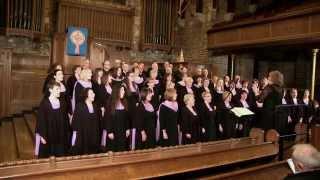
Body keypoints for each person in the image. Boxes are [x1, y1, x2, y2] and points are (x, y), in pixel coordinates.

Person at [35, 81, 69, 158]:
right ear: (50, 90)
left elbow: (65, 120)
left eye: (59, 89)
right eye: (57, 89)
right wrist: (43, 136)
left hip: (60, 135)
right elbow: (41, 121)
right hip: (49, 136)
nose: (59, 91)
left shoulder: (62, 103)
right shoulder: (45, 103)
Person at [70, 88, 101, 155]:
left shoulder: (95, 106)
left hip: (94, 135)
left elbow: (99, 121)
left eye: (94, 93)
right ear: (86, 95)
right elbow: (75, 122)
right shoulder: (80, 106)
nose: (94, 95)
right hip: (83, 135)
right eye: (91, 93)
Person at [103, 85, 130, 152]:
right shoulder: (110, 103)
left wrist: (127, 129)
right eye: (121, 90)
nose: (123, 92)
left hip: (123, 131)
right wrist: (109, 132)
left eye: (124, 90)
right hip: (113, 132)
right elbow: (107, 119)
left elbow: (127, 118)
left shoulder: (125, 102)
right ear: (116, 92)